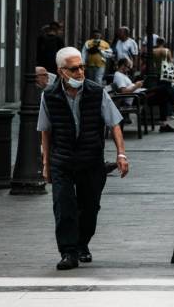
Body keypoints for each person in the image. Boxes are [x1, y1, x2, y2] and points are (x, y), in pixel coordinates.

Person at [37, 47, 129, 270]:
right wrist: (46, 165)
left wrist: (121, 153)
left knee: (89, 208)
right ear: (61, 72)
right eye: (74, 68)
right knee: (64, 207)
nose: (80, 72)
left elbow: (114, 123)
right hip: (63, 160)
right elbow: (45, 131)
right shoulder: (49, 96)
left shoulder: (97, 92)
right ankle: (68, 252)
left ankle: (82, 244)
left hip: (91, 160)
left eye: (82, 67)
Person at [112, 58, 174, 132]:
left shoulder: (122, 75)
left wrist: (136, 84)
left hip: (140, 94)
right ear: (122, 66)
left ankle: (164, 125)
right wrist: (136, 86)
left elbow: (128, 87)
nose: (129, 69)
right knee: (164, 87)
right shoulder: (118, 76)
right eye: (128, 67)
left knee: (164, 96)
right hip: (137, 98)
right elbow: (123, 91)